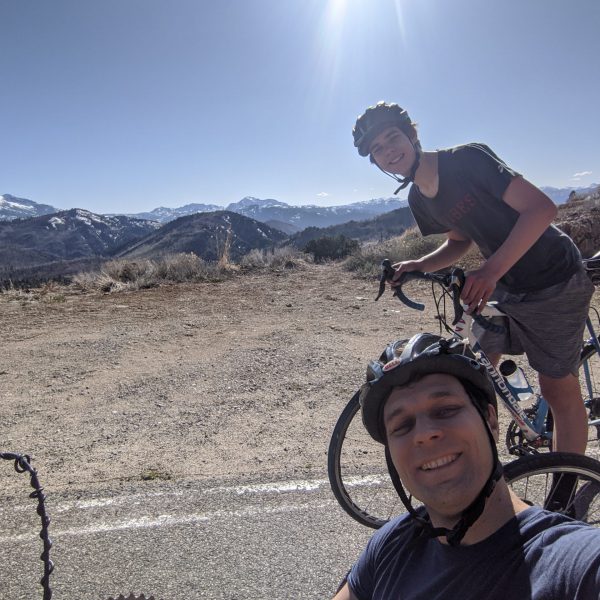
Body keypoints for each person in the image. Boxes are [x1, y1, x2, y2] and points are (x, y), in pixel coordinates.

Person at [352, 102, 595, 455]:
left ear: (411, 135)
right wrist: (418, 264)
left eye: (393, 137)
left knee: (557, 389)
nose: (389, 150)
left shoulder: (467, 160)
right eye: (378, 148)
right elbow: (458, 241)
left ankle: (566, 489)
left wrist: (491, 270)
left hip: (553, 276)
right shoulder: (419, 197)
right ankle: (480, 468)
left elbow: (541, 208)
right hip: (507, 283)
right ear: (375, 161)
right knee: (472, 371)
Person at [333, 333, 600, 600]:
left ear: (491, 421)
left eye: (446, 410)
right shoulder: (390, 548)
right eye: (402, 426)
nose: (424, 434)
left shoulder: (574, 565)